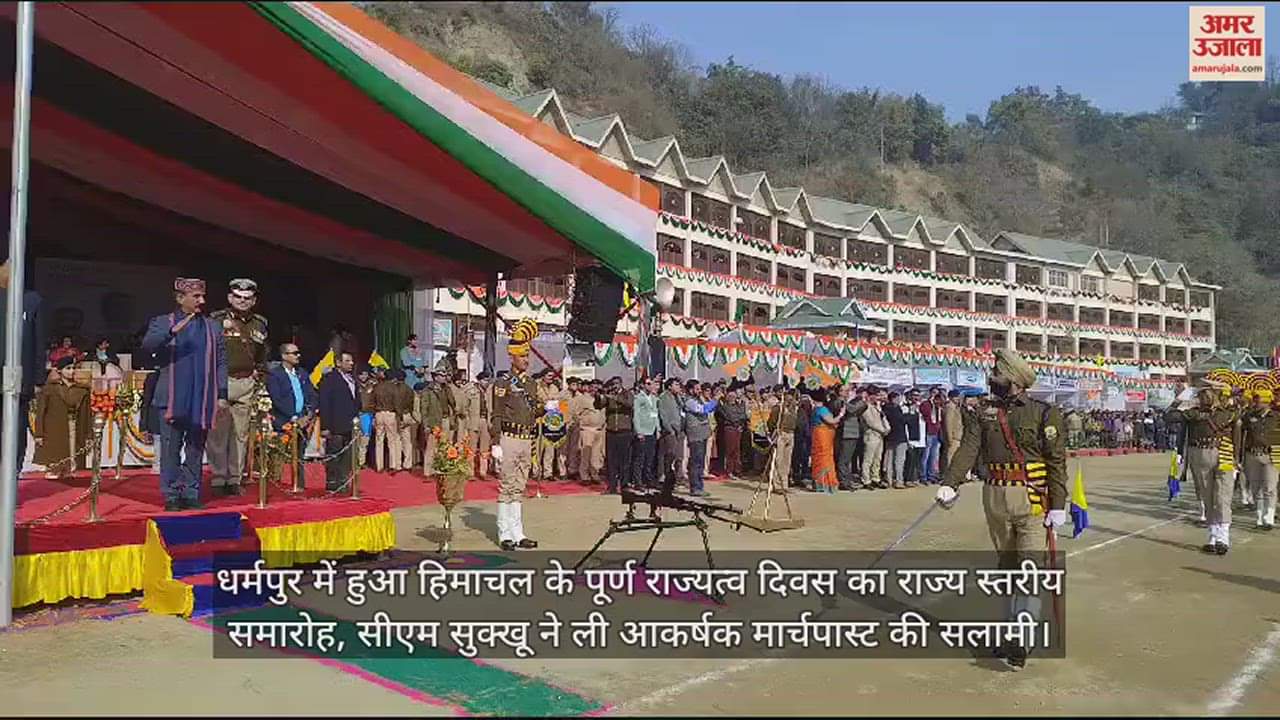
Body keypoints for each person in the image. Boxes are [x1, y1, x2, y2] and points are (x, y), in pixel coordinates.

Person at [935, 348, 1067, 669]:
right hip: (995, 496)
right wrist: (950, 482)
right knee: (1007, 569)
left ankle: (1020, 639)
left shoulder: (1042, 413)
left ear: (1016, 381)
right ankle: (1008, 631)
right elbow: (969, 447)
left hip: (1032, 498)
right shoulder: (983, 411)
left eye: (999, 375)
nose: (992, 380)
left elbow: (1056, 460)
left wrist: (1059, 504)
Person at [141, 277, 228, 511]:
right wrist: (171, 332)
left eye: (202, 296)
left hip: (202, 397)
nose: (202, 301)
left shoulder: (213, 327)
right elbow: (148, 345)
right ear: (181, 299)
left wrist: (221, 393)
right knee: (170, 448)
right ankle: (171, 494)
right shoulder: (163, 322)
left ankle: (191, 492)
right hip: (171, 397)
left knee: (195, 448)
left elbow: (220, 362)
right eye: (196, 297)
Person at [207, 278, 268, 497]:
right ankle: (218, 477)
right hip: (221, 382)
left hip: (245, 382)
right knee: (218, 433)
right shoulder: (216, 320)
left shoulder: (259, 323)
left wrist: (258, 374)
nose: (242, 301)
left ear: (253, 300)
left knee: (241, 434)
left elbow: (263, 354)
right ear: (230, 298)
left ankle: (235, 478)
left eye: (247, 298)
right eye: (238, 297)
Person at [489, 318, 543, 550]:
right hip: (509, 439)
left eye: (528, 356)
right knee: (506, 486)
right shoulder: (503, 383)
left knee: (519, 487)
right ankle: (504, 534)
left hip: (526, 439)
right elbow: (497, 413)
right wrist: (495, 442)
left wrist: (548, 409)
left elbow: (533, 411)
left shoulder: (531, 384)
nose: (526, 360)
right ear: (512, 357)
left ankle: (518, 533)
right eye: (523, 356)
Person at [1165, 388, 1237, 545]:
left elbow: (1239, 435)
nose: (1205, 398)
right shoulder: (1193, 414)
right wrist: (1179, 399)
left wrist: (1238, 460)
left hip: (1224, 454)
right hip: (1200, 454)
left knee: (1222, 497)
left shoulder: (1229, 414)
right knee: (1208, 496)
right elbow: (1169, 416)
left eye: (1208, 395)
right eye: (1202, 396)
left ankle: (1223, 537)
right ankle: (1213, 535)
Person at [0, 259, 44, 474]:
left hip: (20, 383)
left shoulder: (31, 300)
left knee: (16, 434)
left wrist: (37, 379)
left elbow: (38, 340)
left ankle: (11, 480)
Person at [265, 342, 318, 487]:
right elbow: (277, 399)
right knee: (279, 457)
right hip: (284, 422)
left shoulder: (302, 373)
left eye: (298, 352)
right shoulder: (275, 375)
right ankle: (274, 486)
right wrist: (294, 417)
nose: (298, 355)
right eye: (294, 353)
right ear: (284, 356)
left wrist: (308, 415)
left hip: (303, 422)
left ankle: (298, 485)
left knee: (299, 456)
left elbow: (312, 395)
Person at [32, 356, 92, 479]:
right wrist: (39, 433)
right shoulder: (50, 389)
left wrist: (89, 435)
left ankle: (70, 469)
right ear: (60, 371)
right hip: (55, 426)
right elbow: (41, 412)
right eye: (68, 368)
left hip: (75, 424)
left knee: (73, 446)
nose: (72, 371)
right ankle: (55, 469)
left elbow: (87, 414)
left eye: (73, 368)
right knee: (57, 447)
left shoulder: (82, 390)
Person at [318, 351, 360, 492]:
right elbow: (324, 403)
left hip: (350, 425)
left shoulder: (352, 379)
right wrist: (325, 426)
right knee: (334, 455)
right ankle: (332, 482)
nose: (351, 363)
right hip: (335, 425)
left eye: (351, 361)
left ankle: (343, 481)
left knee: (347, 456)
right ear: (338, 363)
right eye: (347, 361)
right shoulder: (329, 379)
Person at [1241, 389, 1277, 531]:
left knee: (1269, 487)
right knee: (1256, 488)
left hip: (1271, 455)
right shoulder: (1248, 416)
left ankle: (1269, 517)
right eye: (1255, 399)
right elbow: (1240, 428)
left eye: (1258, 399)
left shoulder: (1276, 417)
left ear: (1267, 401)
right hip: (1252, 454)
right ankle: (1259, 517)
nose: (1255, 402)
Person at [684, 380, 720, 497]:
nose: (699, 391)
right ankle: (695, 487)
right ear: (690, 390)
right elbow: (703, 409)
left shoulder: (698, 399)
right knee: (696, 462)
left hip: (703, 434)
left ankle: (699, 486)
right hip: (695, 435)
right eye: (697, 388)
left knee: (700, 461)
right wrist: (715, 399)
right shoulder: (689, 401)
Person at [599, 376, 634, 494]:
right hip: (611, 431)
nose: (614, 386)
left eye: (616, 384)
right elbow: (598, 405)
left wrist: (615, 398)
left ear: (620, 383)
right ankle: (612, 486)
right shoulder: (609, 394)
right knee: (611, 460)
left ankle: (624, 486)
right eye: (612, 384)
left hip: (624, 431)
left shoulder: (627, 394)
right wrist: (601, 396)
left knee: (624, 460)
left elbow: (629, 404)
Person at [810, 388, 844, 494]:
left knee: (818, 457)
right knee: (825, 457)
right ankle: (825, 482)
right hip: (823, 436)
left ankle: (818, 483)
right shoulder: (822, 409)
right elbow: (831, 421)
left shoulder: (815, 409)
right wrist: (841, 415)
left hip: (819, 435)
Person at [768, 385, 801, 492]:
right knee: (778, 459)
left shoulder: (794, 409)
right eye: (789, 398)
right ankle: (776, 485)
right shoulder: (778, 408)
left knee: (787, 461)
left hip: (791, 434)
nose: (791, 400)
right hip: (780, 433)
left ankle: (784, 484)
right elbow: (771, 422)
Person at [370, 367, 402, 472]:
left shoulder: (377, 387)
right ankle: (392, 464)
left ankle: (379, 466)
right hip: (390, 414)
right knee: (391, 440)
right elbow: (397, 403)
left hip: (378, 413)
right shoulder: (394, 388)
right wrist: (399, 416)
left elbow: (372, 402)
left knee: (379, 440)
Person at [657, 377, 686, 493]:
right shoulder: (664, 397)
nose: (678, 387)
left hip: (679, 430)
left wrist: (679, 396)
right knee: (669, 455)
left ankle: (677, 478)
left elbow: (682, 408)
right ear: (669, 386)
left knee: (679, 456)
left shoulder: (677, 397)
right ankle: (664, 477)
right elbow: (663, 415)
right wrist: (669, 429)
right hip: (670, 431)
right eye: (676, 385)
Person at [576, 379, 607, 486]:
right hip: (587, 429)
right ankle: (584, 475)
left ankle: (595, 474)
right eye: (593, 387)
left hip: (599, 429)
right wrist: (583, 423)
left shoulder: (602, 399)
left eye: (597, 387)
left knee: (596, 454)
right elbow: (577, 413)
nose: (595, 389)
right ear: (589, 388)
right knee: (586, 454)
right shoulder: (583, 399)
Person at [837, 385, 867, 491]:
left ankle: (845, 482)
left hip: (850, 433)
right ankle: (844, 480)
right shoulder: (849, 401)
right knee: (843, 459)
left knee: (844, 460)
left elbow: (852, 410)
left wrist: (844, 400)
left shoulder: (861, 403)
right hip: (842, 433)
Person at [861, 388, 889, 490]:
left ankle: (875, 478)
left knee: (878, 458)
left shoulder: (877, 407)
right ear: (870, 395)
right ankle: (866, 480)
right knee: (868, 459)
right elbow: (870, 422)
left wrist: (887, 428)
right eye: (877, 395)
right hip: (871, 435)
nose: (878, 398)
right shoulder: (866, 407)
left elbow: (883, 418)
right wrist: (882, 430)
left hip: (880, 435)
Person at [920, 386, 946, 484]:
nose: (935, 395)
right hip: (928, 432)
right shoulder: (926, 404)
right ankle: (923, 476)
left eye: (936, 393)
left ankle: (931, 475)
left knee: (934, 456)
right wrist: (931, 403)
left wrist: (939, 404)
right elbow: (925, 414)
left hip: (937, 433)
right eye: (933, 393)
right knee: (925, 455)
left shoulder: (939, 406)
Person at [884, 391, 908, 489]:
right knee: (899, 460)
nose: (899, 400)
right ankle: (899, 481)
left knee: (889, 460)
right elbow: (902, 420)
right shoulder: (896, 409)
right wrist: (909, 415)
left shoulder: (885, 408)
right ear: (893, 399)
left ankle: (889, 480)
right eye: (898, 398)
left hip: (890, 437)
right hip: (899, 437)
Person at [903, 388, 925, 488]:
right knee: (910, 460)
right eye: (914, 395)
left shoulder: (922, 407)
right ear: (910, 396)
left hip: (922, 438)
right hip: (911, 438)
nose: (916, 397)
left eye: (918, 395)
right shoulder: (906, 407)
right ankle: (907, 479)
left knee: (917, 460)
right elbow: (905, 424)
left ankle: (915, 478)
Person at [943, 388, 965, 471]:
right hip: (953, 437)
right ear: (951, 397)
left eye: (958, 397)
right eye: (956, 397)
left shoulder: (956, 407)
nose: (958, 399)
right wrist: (950, 438)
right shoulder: (950, 407)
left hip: (958, 436)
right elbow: (948, 423)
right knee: (951, 457)